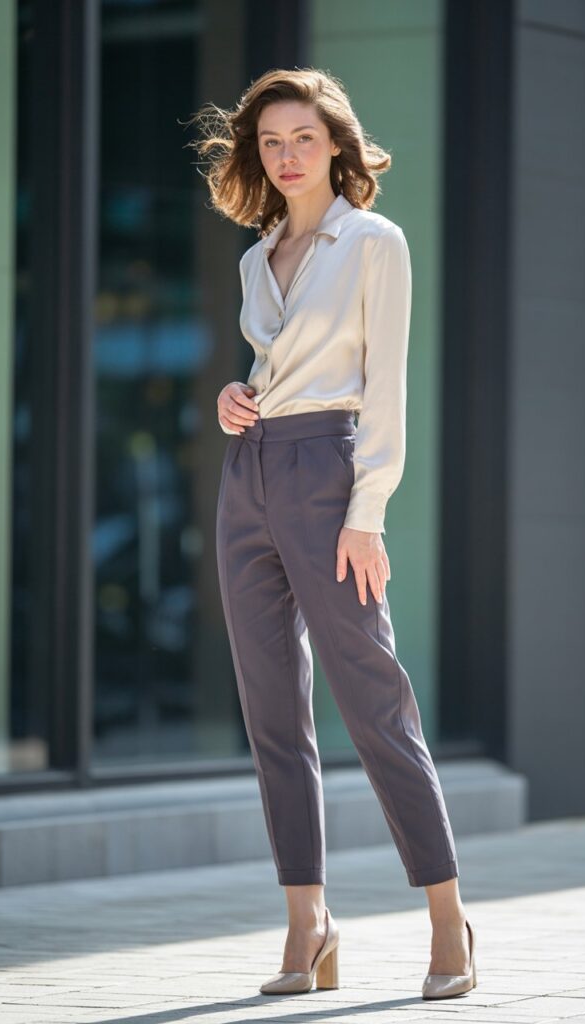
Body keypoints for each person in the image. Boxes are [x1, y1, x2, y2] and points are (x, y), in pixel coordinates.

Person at [189, 67, 476, 1000]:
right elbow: (277, 365)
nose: (285, 155)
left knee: (373, 700)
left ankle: (447, 918)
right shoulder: (256, 254)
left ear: (336, 144)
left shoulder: (373, 242)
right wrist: (237, 394)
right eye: (270, 142)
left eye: (302, 138)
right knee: (272, 710)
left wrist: (368, 512)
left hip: (329, 472)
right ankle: (307, 924)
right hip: (252, 474)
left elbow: (382, 385)